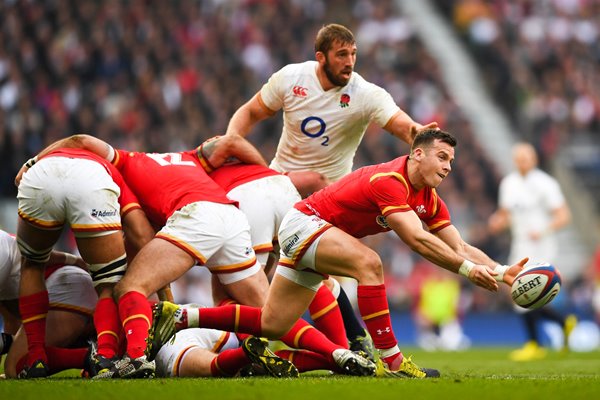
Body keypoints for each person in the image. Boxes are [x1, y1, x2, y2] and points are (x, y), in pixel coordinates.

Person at [149, 129, 527, 378]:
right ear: (416, 155)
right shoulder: (390, 181)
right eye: (441, 157)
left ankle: (180, 315)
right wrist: (464, 271)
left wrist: (501, 270)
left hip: (315, 234)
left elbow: (458, 245)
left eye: (451, 162)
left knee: (273, 324)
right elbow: (416, 240)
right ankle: (392, 362)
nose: (447, 167)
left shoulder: (429, 200)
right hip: (304, 223)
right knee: (369, 263)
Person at [44, 134, 370, 379]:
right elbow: (230, 142)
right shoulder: (191, 159)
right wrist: (263, 170)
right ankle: (335, 352)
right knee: (269, 312)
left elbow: (82, 141)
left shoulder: (126, 163)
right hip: (231, 216)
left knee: (129, 288)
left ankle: (135, 358)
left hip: (201, 215)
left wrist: (39, 161)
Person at [226, 23, 440, 355]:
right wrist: (231, 140)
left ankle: (344, 343)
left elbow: (401, 124)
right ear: (321, 57)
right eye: (342, 55)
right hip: (280, 185)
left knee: (316, 270)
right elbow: (252, 111)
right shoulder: (291, 79)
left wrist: (418, 133)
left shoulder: (365, 93)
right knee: (264, 268)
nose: (350, 61)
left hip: (330, 199)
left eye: (353, 54)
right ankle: (344, 342)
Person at [13, 144, 153, 379]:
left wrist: (31, 162)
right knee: (108, 283)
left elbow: (76, 139)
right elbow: (141, 235)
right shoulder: (116, 170)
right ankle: (105, 358)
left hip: (42, 173)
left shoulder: (57, 152)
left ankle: (36, 357)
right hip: (92, 181)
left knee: (33, 264)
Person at [488, 142, 577, 361]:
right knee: (520, 292)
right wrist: (497, 221)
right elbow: (506, 214)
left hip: (541, 245)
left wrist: (544, 229)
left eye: (525, 158)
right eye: (518, 158)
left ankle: (534, 344)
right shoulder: (509, 183)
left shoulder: (546, 184)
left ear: (534, 159)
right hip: (520, 245)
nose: (521, 162)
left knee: (524, 290)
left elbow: (564, 216)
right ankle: (562, 323)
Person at [0, 229, 98, 378]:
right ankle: (90, 346)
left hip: (66, 285)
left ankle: (94, 355)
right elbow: (10, 320)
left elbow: (35, 257)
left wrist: (7, 342)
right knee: (14, 366)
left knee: (17, 366)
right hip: (64, 285)